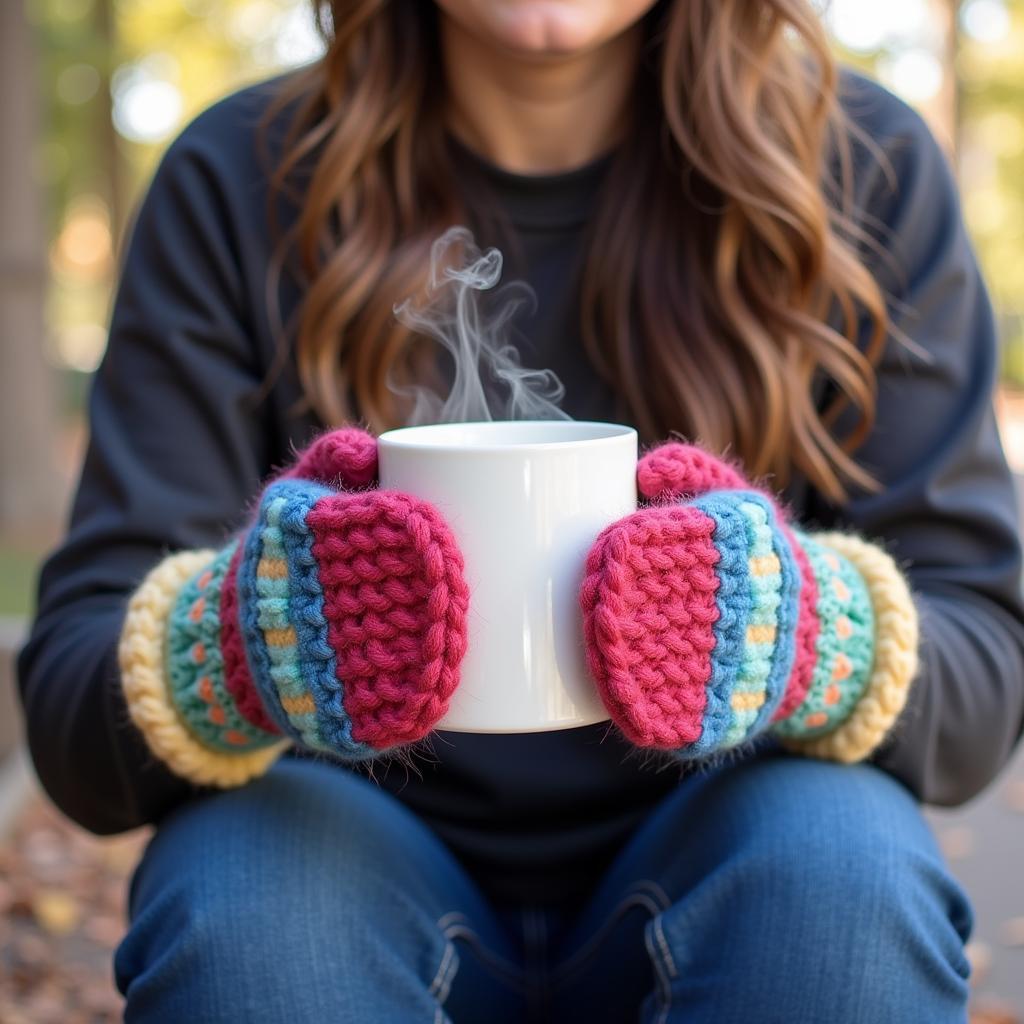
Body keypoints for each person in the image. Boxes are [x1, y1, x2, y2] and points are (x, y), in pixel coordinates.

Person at [17, 0, 1024, 1020]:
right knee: (242, 904)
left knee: (846, 884)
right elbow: (72, 705)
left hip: (741, 846)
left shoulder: (860, 168)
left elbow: (984, 659)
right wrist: (245, 641)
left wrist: (795, 631)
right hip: (338, 858)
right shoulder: (238, 177)